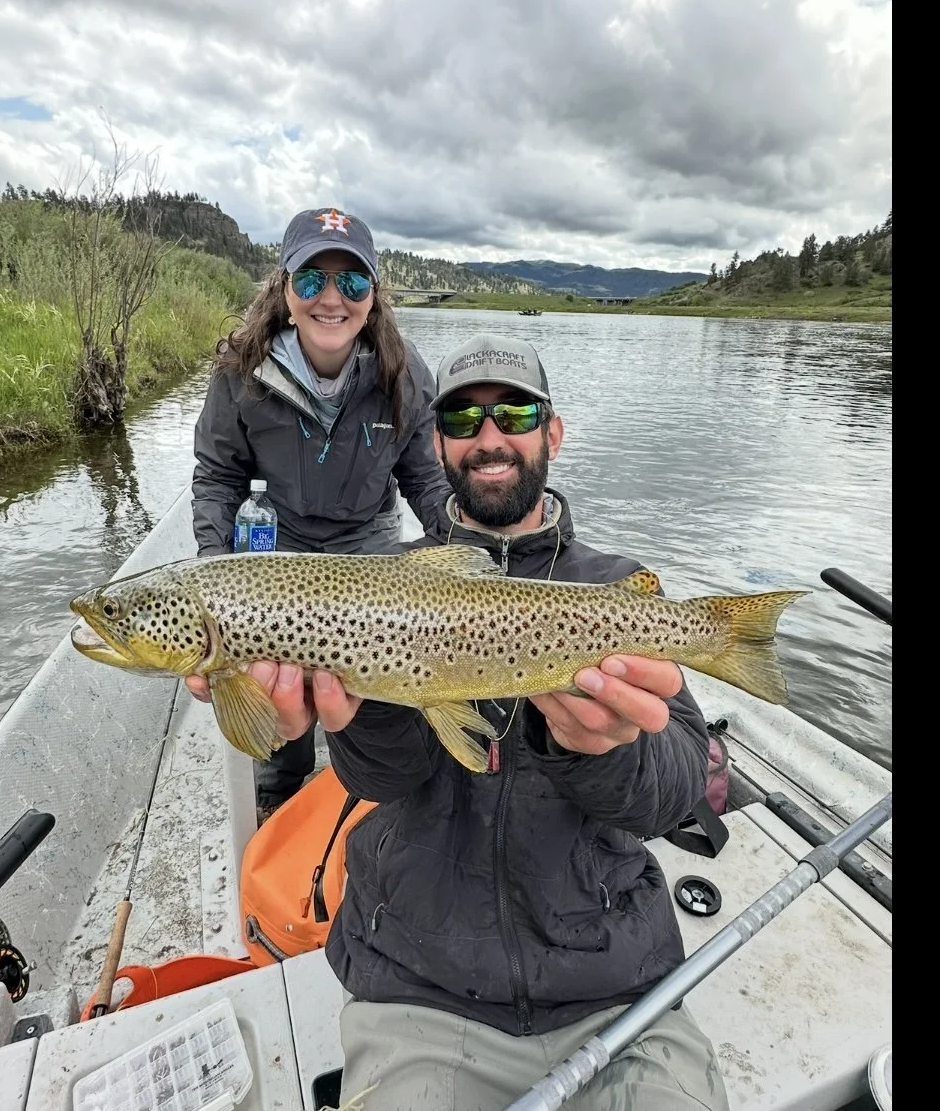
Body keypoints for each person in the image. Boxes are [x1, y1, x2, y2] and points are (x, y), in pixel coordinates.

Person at [187, 331, 729, 1110]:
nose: (488, 436)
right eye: (461, 420)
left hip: (616, 985)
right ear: (435, 445)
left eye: (513, 412)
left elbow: (675, 796)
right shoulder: (376, 587)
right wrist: (354, 715)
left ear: (553, 432)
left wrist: (600, 752)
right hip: (419, 989)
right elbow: (383, 780)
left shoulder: (613, 591)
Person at [190, 207, 450, 817]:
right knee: (278, 695)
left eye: (352, 282)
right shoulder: (240, 370)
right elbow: (218, 477)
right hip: (277, 546)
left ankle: (370, 795)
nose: (331, 299)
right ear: (284, 290)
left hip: (370, 545)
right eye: (312, 280)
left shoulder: (405, 373)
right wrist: (215, 575)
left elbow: (427, 480)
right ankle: (280, 793)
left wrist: (474, 550)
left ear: (373, 296)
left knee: (380, 692)